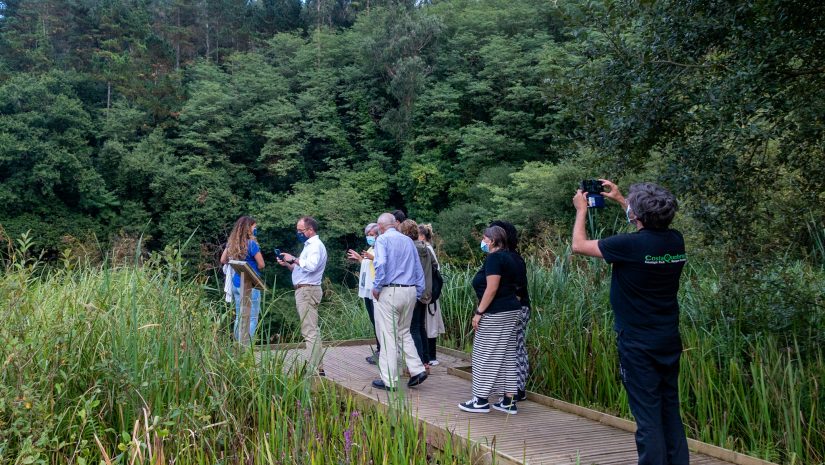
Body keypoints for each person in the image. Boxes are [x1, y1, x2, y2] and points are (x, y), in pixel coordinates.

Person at [572, 180, 688, 465]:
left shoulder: (628, 245)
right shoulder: (675, 240)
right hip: (667, 338)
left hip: (637, 342)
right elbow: (649, 225)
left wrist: (581, 210)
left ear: (636, 216)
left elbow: (579, 246)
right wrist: (623, 199)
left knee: (647, 414)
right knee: (669, 409)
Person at [459, 226, 522, 415]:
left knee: (483, 354)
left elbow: (491, 288)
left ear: (493, 240)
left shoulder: (494, 258)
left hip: (496, 312)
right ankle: (509, 400)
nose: (483, 242)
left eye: (485, 238)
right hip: (512, 309)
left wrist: (479, 312)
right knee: (508, 355)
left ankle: (480, 399)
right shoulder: (512, 257)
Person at [370, 212, 428, 391]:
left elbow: (381, 264)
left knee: (388, 334)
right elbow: (418, 269)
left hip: (390, 290)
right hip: (410, 290)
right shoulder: (408, 241)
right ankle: (417, 369)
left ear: (380, 227)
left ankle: (389, 380)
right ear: (394, 224)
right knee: (403, 332)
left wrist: (377, 287)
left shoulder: (382, 240)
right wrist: (417, 292)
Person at [278, 216, 328, 376]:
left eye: (301, 230)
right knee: (313, 329)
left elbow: (311, 266)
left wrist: (293, 258)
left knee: (309, 331)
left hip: (307, 290)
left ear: (310, 230)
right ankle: (317, 365)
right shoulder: (309, 246)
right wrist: (288, 264)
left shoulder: (315, 246)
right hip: (306, 288)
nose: (298, 233)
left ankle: (314, 368)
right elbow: (301, 269)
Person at [490, 220, 530, 401]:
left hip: (513, 308)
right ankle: (515, 387)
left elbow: (514, 286)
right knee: (517, 347)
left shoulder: (506, 259)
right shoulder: (516, 257)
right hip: (520, 307)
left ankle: (515, 389)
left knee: (511, 349)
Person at [220, 216, 265, 342]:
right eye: (254, 227)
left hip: (236, 283)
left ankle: (238, 346)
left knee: (240, 316)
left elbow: (223, 260)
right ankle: (245, 347)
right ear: (248, 229)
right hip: (250, 284)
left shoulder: (232, 244)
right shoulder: (252, 244)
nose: (255, 230)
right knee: (251, 317)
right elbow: (261, 264)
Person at [398, 219, 432, 369]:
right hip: (426, 291)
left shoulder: (410, 248)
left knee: (412, 328)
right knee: (420, 326)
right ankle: (426, 360)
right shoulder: (425, 247)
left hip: (415, 290)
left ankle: (418, 363)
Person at [347, 223, 381, 365]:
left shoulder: (381, 248)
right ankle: (380, 350)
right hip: (367, 288)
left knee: (378, 321)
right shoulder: (371, 248)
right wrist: (360, 259)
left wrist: (371, 258)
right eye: (367, 235)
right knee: (374, 320)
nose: (369, 237)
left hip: (375, 288)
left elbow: (382, 264)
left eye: (372, 235)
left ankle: (382, 351)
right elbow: (368, 265)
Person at [418, 224, 445, 366]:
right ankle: (430, 356)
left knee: (430, 325)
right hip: (430, 292)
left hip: (429, 294)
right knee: (428, 324)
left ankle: (431, 356)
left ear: (421, 236)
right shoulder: (427, 248)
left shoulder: (426, 249)